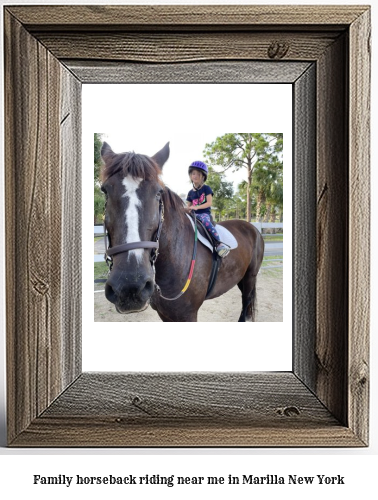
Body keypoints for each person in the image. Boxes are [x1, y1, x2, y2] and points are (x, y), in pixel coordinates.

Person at [186, 160, 230, 258]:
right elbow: (188, 206)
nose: (195, 176)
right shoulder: (190, 192)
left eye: (198, 174)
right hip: (193, 214)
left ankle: (219, 243)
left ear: (203, 176)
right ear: (190, 175)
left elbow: (209, 203)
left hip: (203, 214)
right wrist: (185, 209)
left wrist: (196, 207)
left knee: (206, 222)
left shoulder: (206, 189)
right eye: (193, 173)